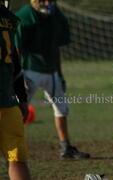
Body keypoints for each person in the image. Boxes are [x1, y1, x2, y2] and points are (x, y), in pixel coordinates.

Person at [14, 0, 90, 159]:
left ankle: (65, 147)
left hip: (51, 71)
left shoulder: (57, 16)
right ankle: (10, 146)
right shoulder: (25, 16)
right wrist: (16, 74)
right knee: (19, 111)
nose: (48, 3)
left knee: (61, 108)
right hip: (28, 70)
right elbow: (16, 48)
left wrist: (60, 73)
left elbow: (56, 47)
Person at [0, 0, 31, 179]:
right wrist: (23, 99)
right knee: (17, 160)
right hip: (8, 103)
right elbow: (16, 65)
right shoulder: (9, 19)